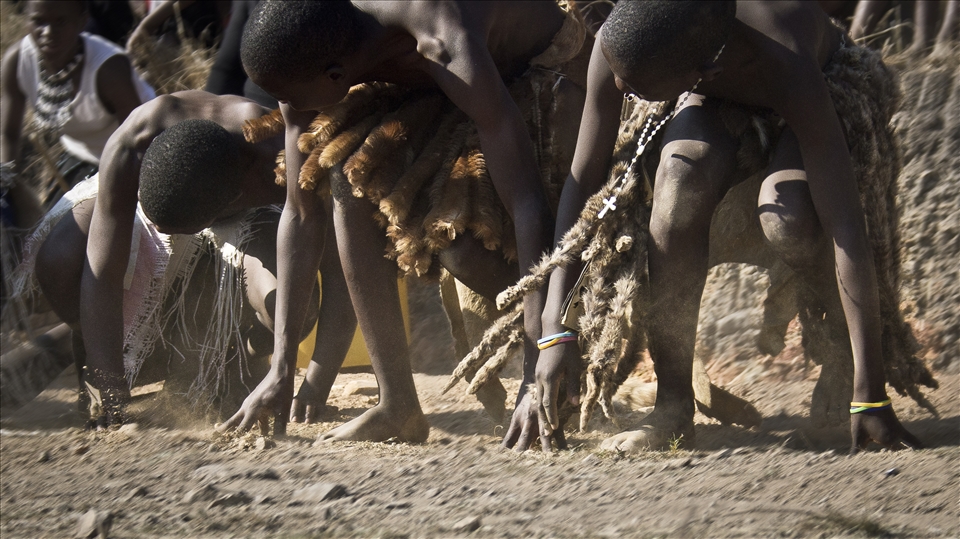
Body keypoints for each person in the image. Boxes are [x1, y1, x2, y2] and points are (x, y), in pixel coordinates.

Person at [530, 0, 931, 454]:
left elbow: (847, 227)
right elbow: (582, 184)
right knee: (677, 186)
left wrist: (871, 392)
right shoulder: (624, 42)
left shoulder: (784, 56)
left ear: (705, 71)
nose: (622, 90)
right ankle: (673, 407)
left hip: (823, 79)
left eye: (637, 88)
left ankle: (842, 364)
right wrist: (554, 330)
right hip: (717, 83)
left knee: (790, 218)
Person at [220, 0, 590, 444]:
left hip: (548, 72)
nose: (288, 111)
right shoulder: (317, 48)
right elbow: (300, 212)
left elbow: (527, 200)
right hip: (446, 89)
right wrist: (280, 369)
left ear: (336, 76)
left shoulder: (438, 32)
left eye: (293, 99)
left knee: (463, 251)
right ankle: (397, 406)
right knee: (346, 173)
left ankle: (563, 347)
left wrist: (536, 367)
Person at [12, 90, 354, 426]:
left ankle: (229, 361)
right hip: (172, 193)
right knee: (62, 258)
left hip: (256, 211)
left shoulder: (293, 161)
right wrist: (108, 380)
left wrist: (315, 388)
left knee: (290, 305)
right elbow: (101, 271)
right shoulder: (136, 140)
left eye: (177, 229)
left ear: (233, 198)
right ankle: (89, 340)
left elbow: (343, 283)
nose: (167, 235)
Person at [1, 0, 155, 223]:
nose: (48, 33)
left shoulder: (109, 70)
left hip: (130, 159)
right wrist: (7, 188)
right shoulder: (17, 62)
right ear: (26, 20)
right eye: (38, 21)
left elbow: (138, 143)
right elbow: (9, 134)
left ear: (82, 21)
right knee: (44, 234)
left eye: (61, 22)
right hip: (80, 156)